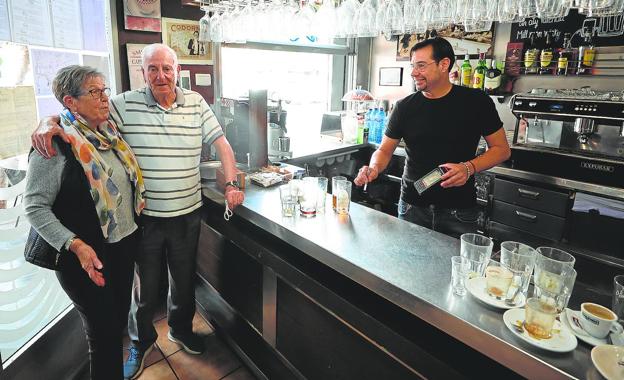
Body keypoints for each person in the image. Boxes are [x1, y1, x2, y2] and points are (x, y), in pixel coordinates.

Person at [31, 43, 245, 380]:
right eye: (153, 69)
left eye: (167, 68)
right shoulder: (122, 104)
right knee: (145, 289)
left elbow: (223, 145)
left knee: (184, 280)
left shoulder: (197, 102)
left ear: (177, 71)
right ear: (143, 73)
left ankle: (180, 330)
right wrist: (48, 121)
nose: (161, 75)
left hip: (188, 213)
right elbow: (79, 117)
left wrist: (232, 183)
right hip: (143, 219)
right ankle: (141, 341)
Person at [24, 65, 146, 379]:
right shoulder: (54, 144)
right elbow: (35, 208)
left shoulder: (108, 132)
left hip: (121, 247)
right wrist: (75, 245)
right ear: (71, 101)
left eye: (105, 90)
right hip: (84, 257)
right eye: (95, 92)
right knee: (103, 335)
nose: (106, 98)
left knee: (116, 324)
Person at [354, 37, 510, 238]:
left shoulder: (476, 102)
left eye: (421, 65)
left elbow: (502, 149)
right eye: (412, 66)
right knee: (408, 267)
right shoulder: (405, 107)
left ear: (444, 64)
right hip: (412, 206)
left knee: (456, 268)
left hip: (459, 210)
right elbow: (384, 149)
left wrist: (468, 168)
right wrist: (373, 168)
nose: (413, 73)